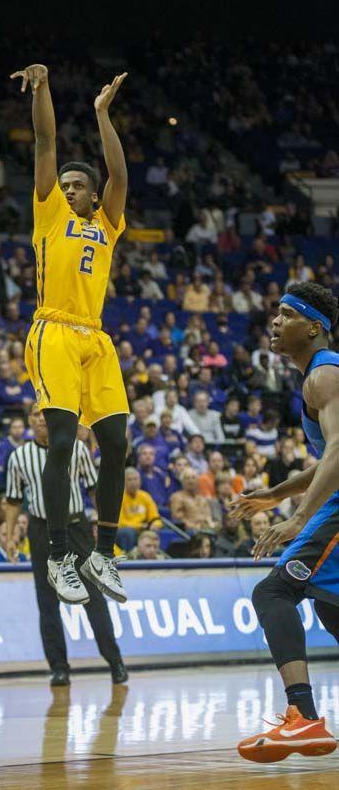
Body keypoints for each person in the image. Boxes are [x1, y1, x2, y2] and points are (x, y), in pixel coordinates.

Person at [10, 62, 131, 606]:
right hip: (53, 330)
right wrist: (44, 88)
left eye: (78, 185)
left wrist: (103, 114)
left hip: (95, 339)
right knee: (62, 441)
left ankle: (103, 552)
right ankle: (60, 556)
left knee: (115, 443)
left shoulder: (107, 222)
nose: (70, 189)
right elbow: (44, 140)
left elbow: (119, 176)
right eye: (66, 184)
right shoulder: (49, 215)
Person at [232, 283, 339, 762]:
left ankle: (303, 719)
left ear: (313, 327)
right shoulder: (321, 377)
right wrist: (275, 494)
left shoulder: (326, 375)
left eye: (285, 314)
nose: (274, 322)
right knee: (331, 610)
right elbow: (325, 459)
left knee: (273, 592)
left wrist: (298, 518)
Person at [4, 403, 127, 686]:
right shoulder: (19, 457)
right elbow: (12, 501)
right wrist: (11, 536)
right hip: (40, 529)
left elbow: (96, 489)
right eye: (36, 414)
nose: (42, 419)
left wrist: (103, 525)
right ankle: (59, 667)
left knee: (94, 597)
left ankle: (115, 662)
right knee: (47, 602)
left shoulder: (79, 450)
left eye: (45, 413)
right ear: (29, 421)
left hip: (76, 527)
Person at [117, 467, 163, 551]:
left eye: (135, 479)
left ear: (140, 481)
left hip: (143, 530)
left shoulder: (145, 496)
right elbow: (120, 523)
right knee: (127, 533)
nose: (133, 482)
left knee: (155, 532)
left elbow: (155, 518)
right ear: (123, 482)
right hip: (125, 531)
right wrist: (140, 526)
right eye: (129, 480)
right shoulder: (118, 497)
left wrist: (155, 525)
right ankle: (130, 560)